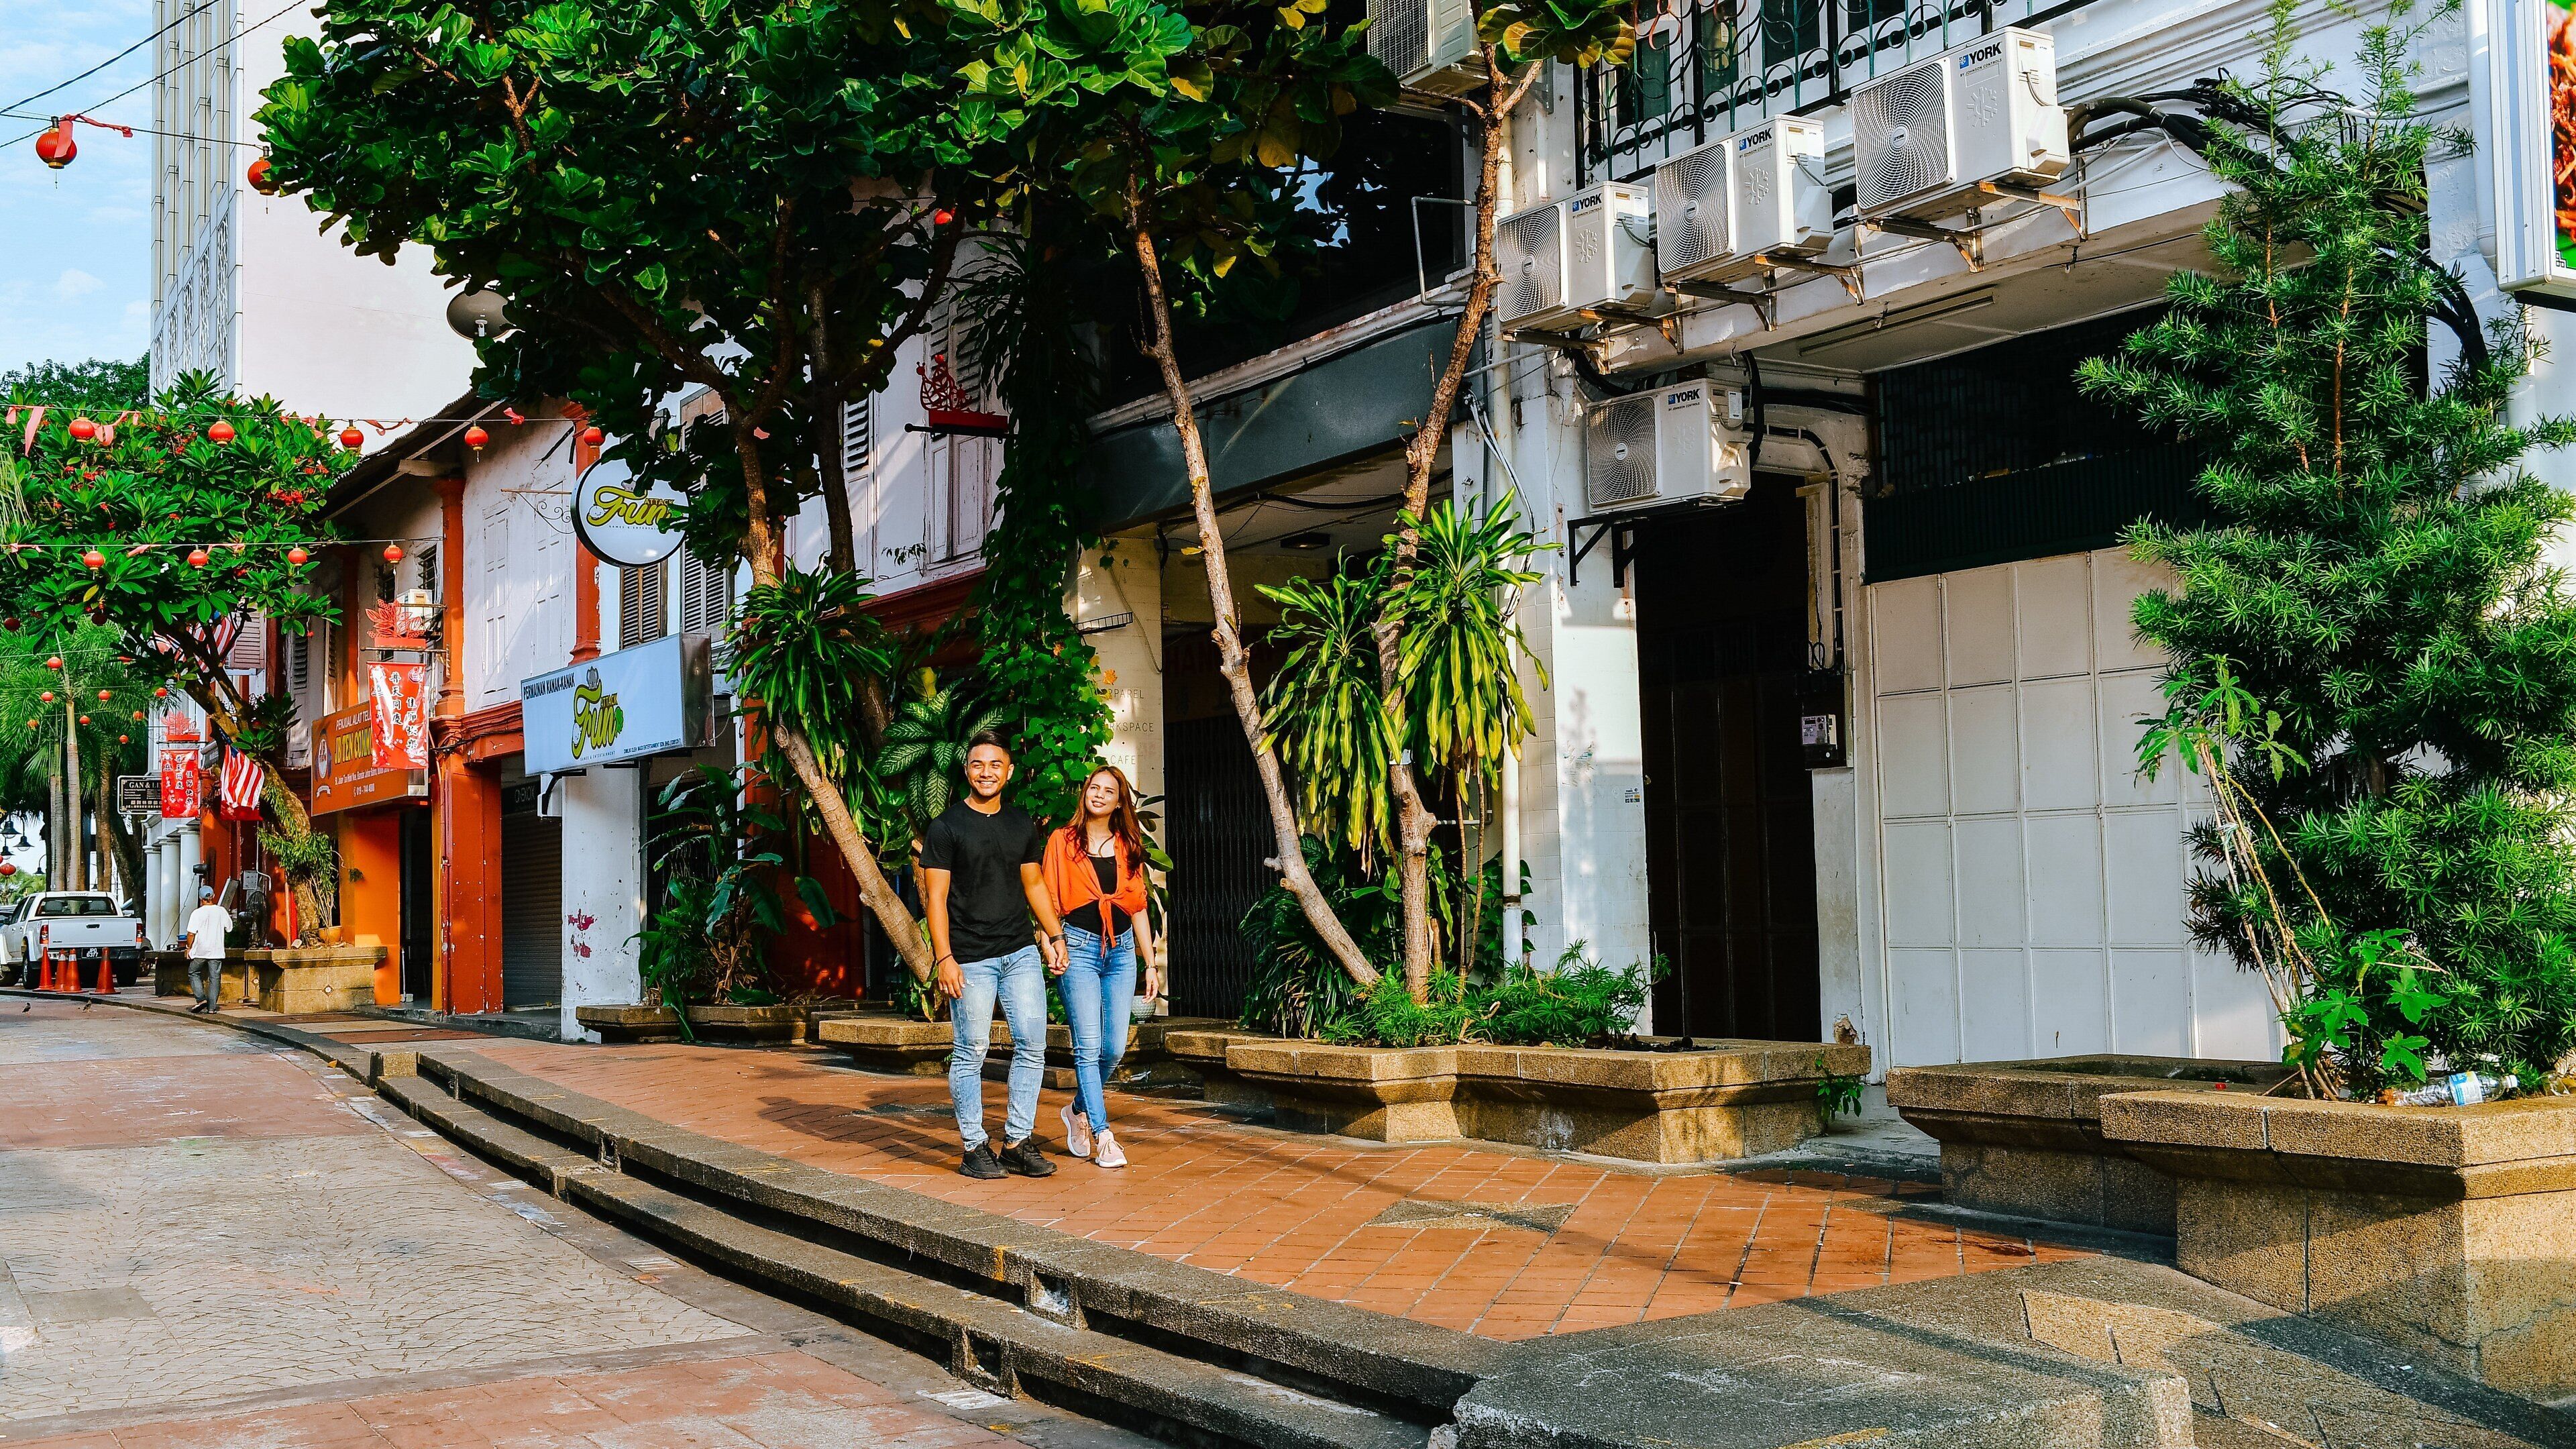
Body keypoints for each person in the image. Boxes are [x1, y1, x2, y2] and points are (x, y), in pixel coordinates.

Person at [921, 732, 1069, 1180]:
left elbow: (1034, 885)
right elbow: (935, 898)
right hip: (969, 956)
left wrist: (1054, 934)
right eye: (977, 764)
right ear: (967, 770)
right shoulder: (946, 827)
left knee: (1032, 1045)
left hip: (1020, 950)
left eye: (995, 765)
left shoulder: (1021, 824)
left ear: (1009, 772)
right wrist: (944, 958)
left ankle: (1017, 1143)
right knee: (972, 1050)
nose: (986, 772)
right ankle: (973, 1147)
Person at [1042, 765, 1159, 1170]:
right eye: (1095, 787)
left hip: (1122, 950)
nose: (1099, 795)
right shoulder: (1063, 841)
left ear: (1118, 801)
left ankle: (1076, 1110)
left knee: (1113, 1048)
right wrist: (1050, 941)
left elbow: (1138, 905)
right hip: (1078, 948)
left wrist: (1151, 963)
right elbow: (1050, 898)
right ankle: (1104, 1135)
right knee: (1088, 1047)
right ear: (1085, 793)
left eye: (1109, 791)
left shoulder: (1128, 843)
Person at [184, 885, 230, 1014]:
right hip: (217, 950)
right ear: (213, 896)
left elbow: (191, 934)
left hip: (200, 950)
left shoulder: (197, 913)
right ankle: (212, 1008)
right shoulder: (221, 911)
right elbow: (229, 928)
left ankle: (201, 999)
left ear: (201, 899)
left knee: (193, 972)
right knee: (215, 978)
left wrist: (189, 947)